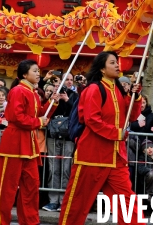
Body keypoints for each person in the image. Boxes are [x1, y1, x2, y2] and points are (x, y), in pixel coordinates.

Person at [57, 51, 143, 225]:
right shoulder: (94, 89)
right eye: (113, 63)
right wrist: (116, 133)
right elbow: (91, 120)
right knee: (76, 205)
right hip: (92, 157)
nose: (118, 65)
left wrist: (135, 96)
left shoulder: (118, 90)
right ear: (102, 69)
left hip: (115, 158)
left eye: (117, 62)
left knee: (128, 204)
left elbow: (131, 117)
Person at [0, 59, 58, 225]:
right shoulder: (18, 91)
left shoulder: (34, 92)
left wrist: (52, 102)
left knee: (31, 188)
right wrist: (38, 122)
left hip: (29, 145)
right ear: (24, 74)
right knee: (6, 189)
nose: (38, 73)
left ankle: (30, 221)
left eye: (38, 71)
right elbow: (16, 117)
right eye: (35, 70)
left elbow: (40, 114)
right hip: (14, 144)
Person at [42, 72, 78, 212]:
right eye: (66, 79)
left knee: (66, 169)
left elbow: (78, 113)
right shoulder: (52, 93)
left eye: (71, 79)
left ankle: (64, 200)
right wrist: (53, 99)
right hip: (53, 135)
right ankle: (53, 200)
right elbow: (45, 111)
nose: (69, 82)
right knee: (53, 169)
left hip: (68, 136)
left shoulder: (75, 96)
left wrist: (68, 99)